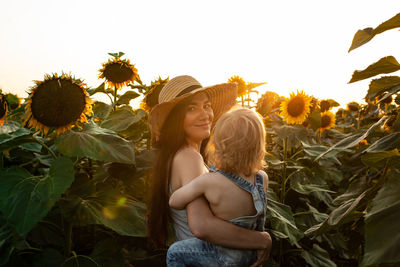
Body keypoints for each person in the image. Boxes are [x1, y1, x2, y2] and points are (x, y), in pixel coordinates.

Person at [146, 75, 272, 266]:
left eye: (206, 106)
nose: (205, 114)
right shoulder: (189, 157)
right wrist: (262, 240)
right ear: (176, 120)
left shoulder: (182, 155)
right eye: (192, 108)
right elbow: (202, 226)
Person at [167, 108, 269, 266]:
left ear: (218, 146)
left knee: (174, 253)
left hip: (220, 256)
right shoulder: (262, 178)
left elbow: (174, 201)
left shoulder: (210, 182)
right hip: (249, 254)